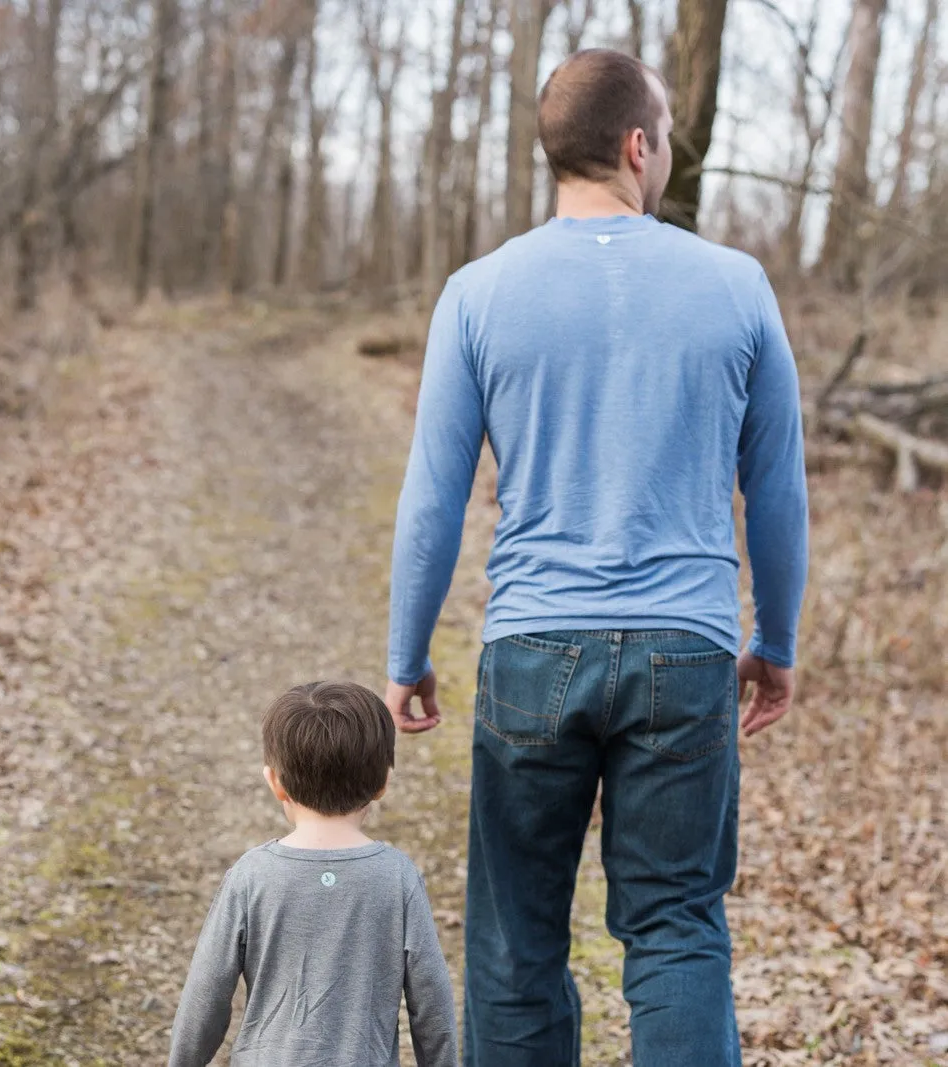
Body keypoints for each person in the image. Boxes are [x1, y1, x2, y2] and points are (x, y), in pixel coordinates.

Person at [385, 48, 808, 1067]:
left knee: (514, 939)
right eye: (665, 136)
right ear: (636, 146)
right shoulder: (735, 286)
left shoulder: (477, 292)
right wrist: (774, 639)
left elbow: (433, 496)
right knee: (673, 927)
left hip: (533, 649)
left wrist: (406, 654)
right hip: (686, 649)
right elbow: (779, 490)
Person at [168, 681, 459, 1067]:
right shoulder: (397, 878)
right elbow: (431, 1000)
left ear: (275, 783)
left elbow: (207, 991)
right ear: (384, 783)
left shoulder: (251, 876)